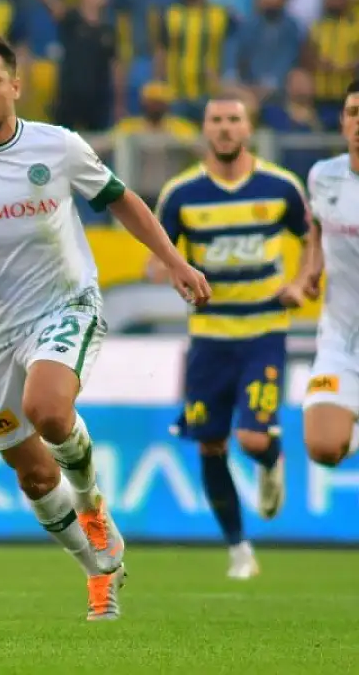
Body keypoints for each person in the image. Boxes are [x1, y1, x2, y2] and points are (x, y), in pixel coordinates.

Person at [0, 34, 210, 622]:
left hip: (66, 305)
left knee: (48, 409)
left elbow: (120, 199)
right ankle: (98, 570)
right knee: (31, 472)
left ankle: (93, 506)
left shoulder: (58, 145)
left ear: (15, 86)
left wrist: (174, 261)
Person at [150, 95, 316, 580]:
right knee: (210, 444)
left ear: (248, 128)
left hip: (264, 331)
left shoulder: (279, 186)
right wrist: (170, 273)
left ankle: (270, 457)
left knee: (251, 436)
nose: (224, 128)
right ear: (205, 129)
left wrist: (302, 281)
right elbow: (160, 253)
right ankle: (239, 548)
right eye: (216, 120)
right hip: (208, 337)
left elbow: (312, 237)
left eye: (233, 120)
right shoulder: (182, 193)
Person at [301, 81, 359, 470]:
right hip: (340, 340)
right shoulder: (322, 176)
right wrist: (311, 270)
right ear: (342, 122)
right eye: (353, 113)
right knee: (322, 447)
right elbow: (318, 226)